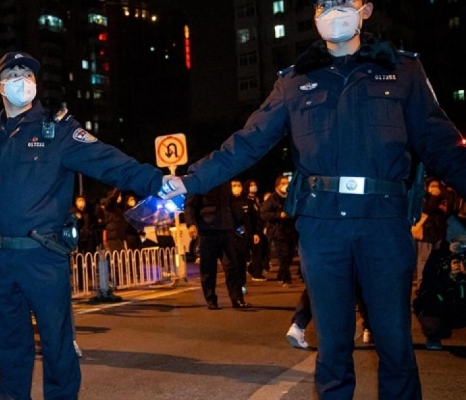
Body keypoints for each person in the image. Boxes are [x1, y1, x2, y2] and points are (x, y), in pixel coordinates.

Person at [158, 1, 466, 397]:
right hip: (322, 229)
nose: (334, 11)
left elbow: (442, 145)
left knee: (395, 345)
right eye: (325, 3)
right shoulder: (294, 81)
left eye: (344, 2)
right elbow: (248, 142)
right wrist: (191, 180)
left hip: (384, 225)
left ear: (366, 9)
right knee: (333, 347)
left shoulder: (403, 70)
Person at [0, 51, 174, 400]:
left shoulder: (58, 130)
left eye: (28, 74)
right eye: (13, 74)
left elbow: (110, 162)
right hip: (1, 259)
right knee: (10, 348)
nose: (22, 81)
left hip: (43, 257)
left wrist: (158, 181)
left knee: (57, 346)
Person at [184, 181, 253, 310]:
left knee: (232, 266)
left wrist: (240, 223)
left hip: (226, 228)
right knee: (208, 267)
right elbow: (190, 205)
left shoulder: (224, 180)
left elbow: (231, 204)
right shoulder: (199, 180)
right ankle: (211, 299)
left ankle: (237, 299)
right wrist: (190, 224)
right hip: (207, 229)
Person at [260, 175, 299, 287]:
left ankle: (281, 275)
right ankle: (286, 279)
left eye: (287, 183)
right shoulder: (272, 199)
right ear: (277, 186)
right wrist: (278, 215)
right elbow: (264, 213)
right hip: (278, 231)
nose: (286, 185)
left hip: (290, 230)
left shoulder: (291, 197)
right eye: (283, 183)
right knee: (284, 254)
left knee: (290, 255)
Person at [412, 178, 449, 286]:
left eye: (437, 186)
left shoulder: (442, 199)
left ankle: (428, 280)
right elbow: (426, 211)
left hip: (436, 232)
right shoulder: (423, 199)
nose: (435, 189)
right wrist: (434, 198)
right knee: (423, 258)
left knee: (433, 257)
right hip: (425, 233)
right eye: (432, 186)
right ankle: (421, 282)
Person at [244, 179, 270, 281]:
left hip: (260, 229)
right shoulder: (247, 201)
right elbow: (249, 219)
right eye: (251, 185)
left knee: (264, 249)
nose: (254, 187)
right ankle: (256, 273)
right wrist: (253, 233)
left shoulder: (256, 199)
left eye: (255, 185)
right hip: (253, 231)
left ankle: (252, 268)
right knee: (257, 252)